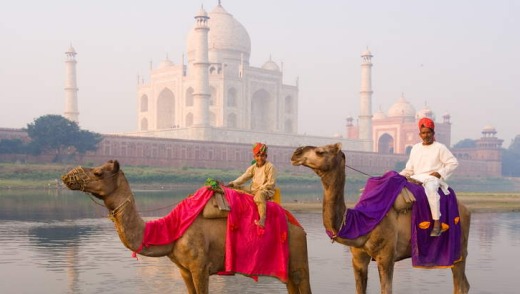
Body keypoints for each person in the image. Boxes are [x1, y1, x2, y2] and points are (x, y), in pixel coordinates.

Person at [400, 117, 459, 237]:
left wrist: (440, 173)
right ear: (419, 134)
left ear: (433, 133)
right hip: (416, 177)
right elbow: (409, 169)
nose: (426, 135)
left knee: (431, 190)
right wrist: (397, 175)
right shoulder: (415, 148)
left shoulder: (440, 147)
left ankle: (437, 223)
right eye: (423, 133)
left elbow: (453, 163)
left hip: (432, 179)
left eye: (428, 132)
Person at [228, 142, 277, 228]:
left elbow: (270, 183)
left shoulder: (270, 167)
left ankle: (262, 219)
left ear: (266, 156)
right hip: (253, 189)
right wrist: (233, 183)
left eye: (262, 156)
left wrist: (260, 189)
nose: (260, 158)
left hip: (266, 190)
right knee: (236, 189)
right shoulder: (253, 167)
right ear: (254, 157)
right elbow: (244, 177)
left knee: (259, 195)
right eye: (257, 156)